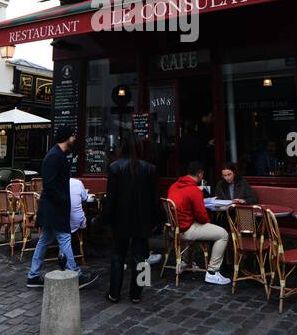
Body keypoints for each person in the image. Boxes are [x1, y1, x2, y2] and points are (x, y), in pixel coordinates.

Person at [25, 128, 97, 289]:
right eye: (73, 135)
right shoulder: (54, 157)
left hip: (53, 208)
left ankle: (33, 276)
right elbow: (49, 185)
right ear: (67, 137)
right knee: (64, 238)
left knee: (44, 241)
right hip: (54, 208)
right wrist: (64, 199)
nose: (74, 138)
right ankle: (76, 275)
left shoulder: (58, 155)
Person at [103, 135, 164, 303]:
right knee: (141, 257)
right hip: (142, 219)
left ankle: (114, 293)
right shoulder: (149, 168)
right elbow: (155, 198)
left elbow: (111, 197)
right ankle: (137, 293)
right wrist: (158, 219)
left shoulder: (115, 167)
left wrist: (106, 218)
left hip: (120, 218)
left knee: (117, 256)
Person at [166, 162, 231, 285]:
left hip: (174, 228)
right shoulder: (194, 190)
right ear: (200, 175)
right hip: (186, 230)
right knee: (223, 234)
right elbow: (202, 218)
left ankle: (186, 262)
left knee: (195, 224)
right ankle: (212, 272)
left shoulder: (174, 186)